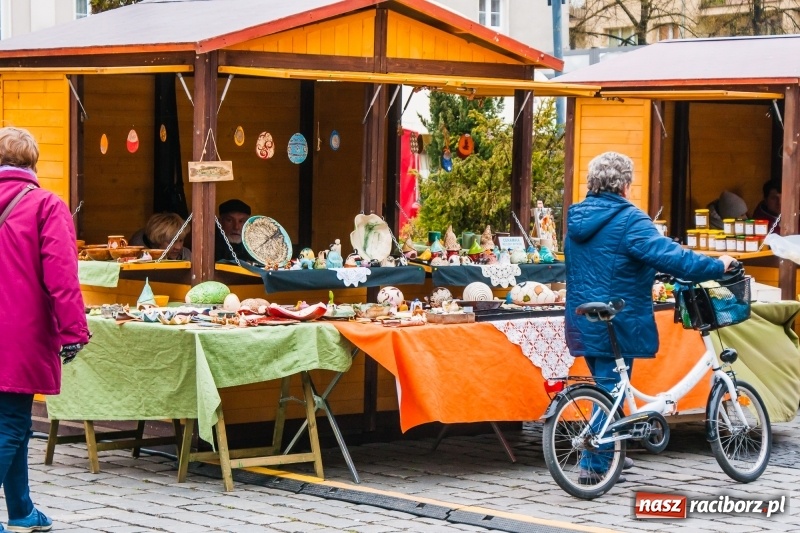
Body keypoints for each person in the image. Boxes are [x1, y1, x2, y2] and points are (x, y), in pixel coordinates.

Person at [564, 151, 735, 485]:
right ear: (625, 185)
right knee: (612, 389)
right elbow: (674, 258)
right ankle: (593, 464)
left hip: (583, 317)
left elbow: (606, 261)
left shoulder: (577, 219)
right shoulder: (629, 219)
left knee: (609, 388)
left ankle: (610, 451)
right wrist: (718, 265)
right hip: (618, 318)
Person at [0, 127, 90, 532]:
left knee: (14, 421)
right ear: (33, 163)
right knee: (12, 422)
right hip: (20, 333)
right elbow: (62, 277)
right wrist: (74, 332)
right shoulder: (45, 206)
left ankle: (21, 510)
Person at [215, 198, 257, 263]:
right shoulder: (210, 245)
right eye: (229, 220)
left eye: (241, 221)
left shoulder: (255, 246)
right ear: (220, 222)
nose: (236, 227)